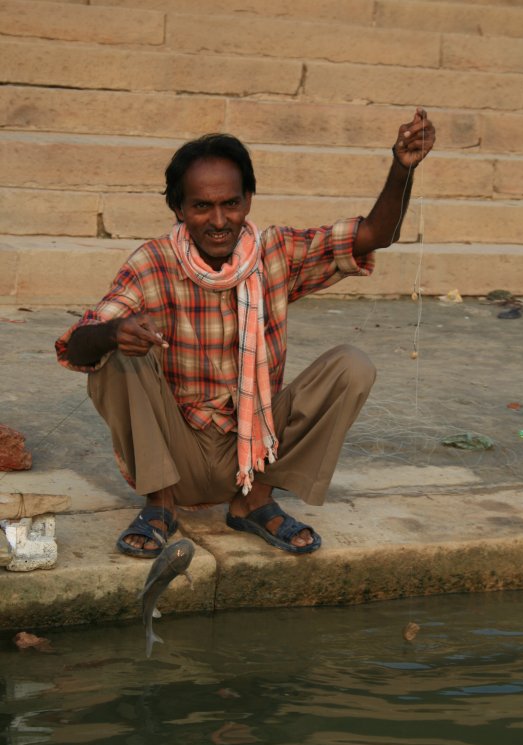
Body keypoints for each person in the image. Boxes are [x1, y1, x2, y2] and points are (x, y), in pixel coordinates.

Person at [55, 108, 435, 558]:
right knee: (114, 353)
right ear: (179, 209)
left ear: (248, 200)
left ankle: (254, 501)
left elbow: (373, 234)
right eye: (201, 206)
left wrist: (402, 169)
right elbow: (76, 344)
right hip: (179, 457)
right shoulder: (152, 264)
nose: (219, 221)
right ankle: (159, 505)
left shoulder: (275, 252)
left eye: (230, 203)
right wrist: (115, 331)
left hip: (256, 451)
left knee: (353, 366)